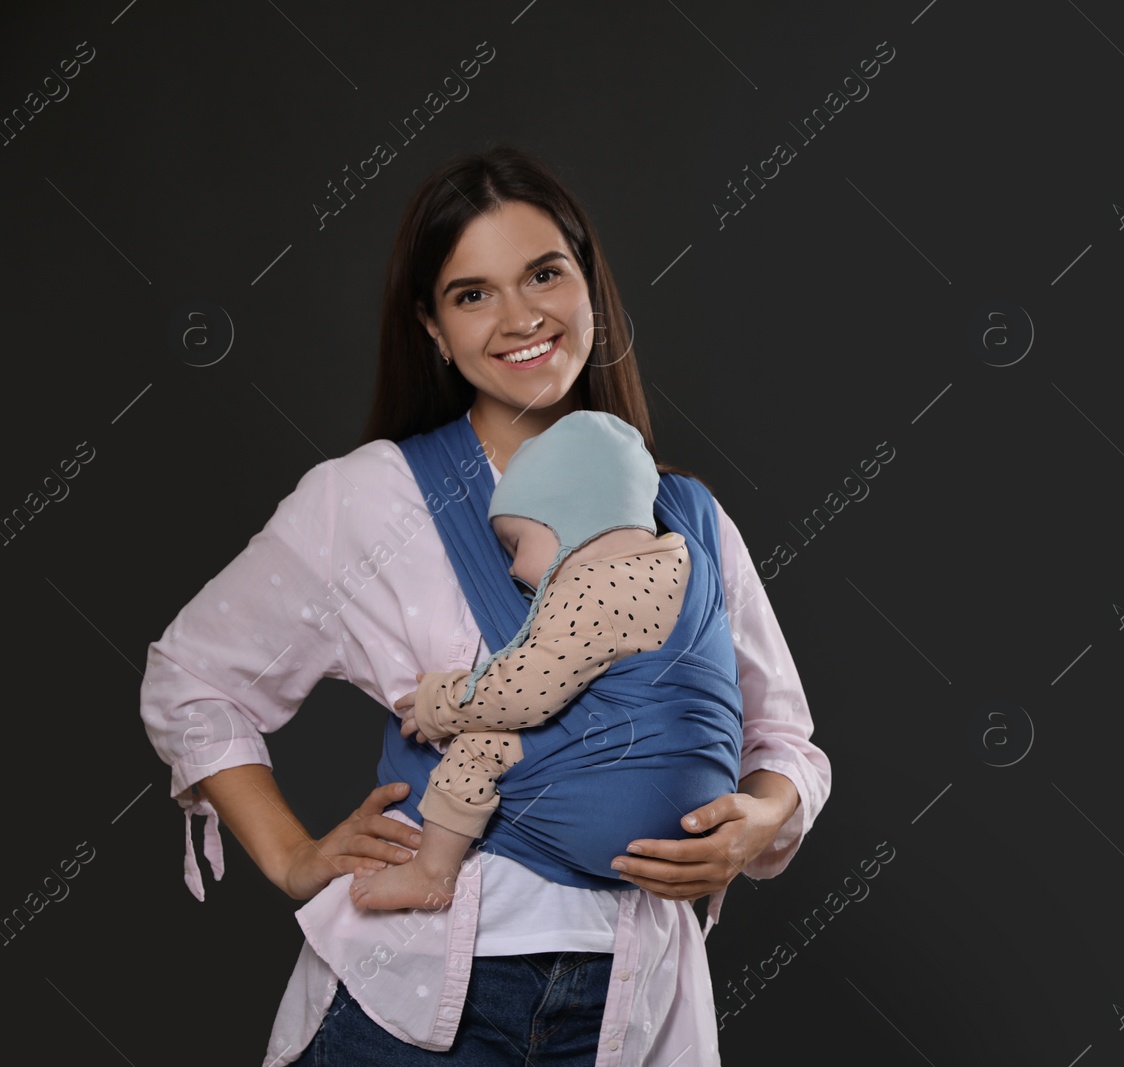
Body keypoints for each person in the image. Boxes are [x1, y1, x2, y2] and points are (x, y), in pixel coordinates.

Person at [139, 144, 830, 1066]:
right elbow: (192, 676)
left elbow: (784, 741)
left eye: (544, 273)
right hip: (412, 1003)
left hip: (629, 1011)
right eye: (473, 294)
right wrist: (293, 856)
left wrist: (756, 821)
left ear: (590, 284)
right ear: (431, 325)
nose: (520, 318)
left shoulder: (685, 516)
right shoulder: (369, 498)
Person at [349, 409, 706, 913]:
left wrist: (442, 705)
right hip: (692, 804)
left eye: (516, 543)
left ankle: (432, 873)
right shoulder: (681, 558)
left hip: (608, 816)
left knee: (480, 742)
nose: (513, 567)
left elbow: (524, 694)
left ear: (568, 518)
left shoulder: (590, 588)